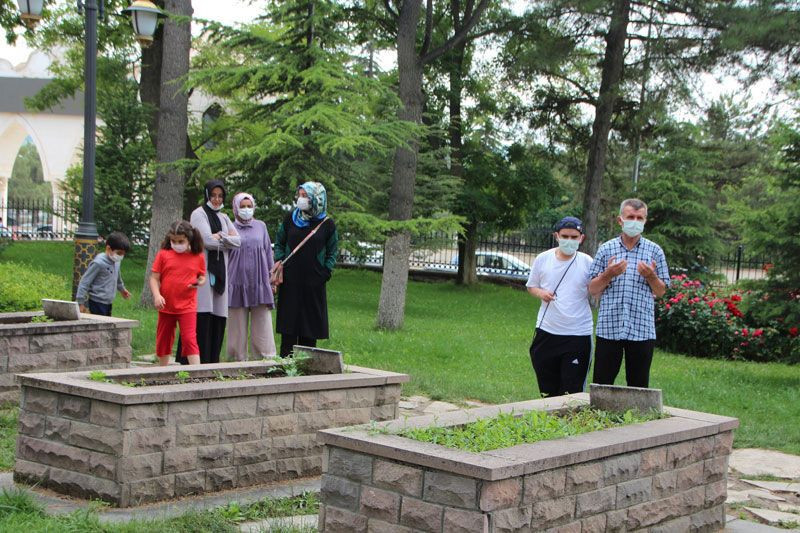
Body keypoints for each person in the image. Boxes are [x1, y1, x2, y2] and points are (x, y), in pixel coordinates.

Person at [588, 198, 670, 388]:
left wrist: (651, 276)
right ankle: (599, 418)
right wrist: (609, 274)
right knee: (602, 384)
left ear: (645, 221)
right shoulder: (606, 249)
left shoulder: (654, 251)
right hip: (610, 327)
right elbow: (592, 289)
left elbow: (662, 291)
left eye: (639, 218)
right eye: (630, 217)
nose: (635, 221)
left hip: (641, 329)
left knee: (639, 385)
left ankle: (639, 419)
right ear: (620, 220)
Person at [526, 216, 594, 397]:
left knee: (572, 391)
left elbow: (595, 289)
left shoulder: (587, 262)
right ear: (556, 236)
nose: (569, 241)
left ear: (582, 238)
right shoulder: (543, 259)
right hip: (547, 330)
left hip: (578, 333)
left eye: (574, 237)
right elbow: (531, 286)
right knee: (547, 389)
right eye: (565, 236)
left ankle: (570, 421)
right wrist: (542, 293)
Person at [273, 181, 338, 357]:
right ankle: (286, 364)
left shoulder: (327, 224)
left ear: (316, 199)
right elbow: (280, 242)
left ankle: (307, 367)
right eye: (300, 195)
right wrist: (279, 260)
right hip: (291, 280)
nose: (301, 199)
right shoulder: (290, 218)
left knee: (309, 327)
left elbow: (332, 251)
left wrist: (325, 273)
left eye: (305, 196)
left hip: (313, 283)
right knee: (289, 325)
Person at [181, 180, 240, 364]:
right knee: (202, 313)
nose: (216, 199)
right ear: (207, 195)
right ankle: (194, 361)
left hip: (220, 271)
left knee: (218, 315)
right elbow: (206, 240)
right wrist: (226, 238)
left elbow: (239, 241)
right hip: (203, 269)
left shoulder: (223, 217)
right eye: (213, 195)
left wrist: (221, 236)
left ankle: (212, 360)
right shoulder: (199, 214)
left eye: (220, 196)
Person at [227, 192, 277, 360]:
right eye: (242, 207)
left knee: (262, 323)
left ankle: (265, 358)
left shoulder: (261, 226)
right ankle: (237, 360)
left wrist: (273, 278)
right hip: (236, 282)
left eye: (249, 206)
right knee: (236, 325)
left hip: (259, 281)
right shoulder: (229, 227)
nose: (246, 210)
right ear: (236, 208)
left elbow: (268, 252)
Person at [149, 221, 206, 366]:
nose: (176, 244)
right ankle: (162, 369)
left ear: (189, 239)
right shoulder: (163, 255)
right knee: (164, 338)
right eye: (173, 241)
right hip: (166, 305)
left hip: (187, 306)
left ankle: (196, 371)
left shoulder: (198, 256)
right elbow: (154, 278)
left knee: (189, 338)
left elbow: (202, 276)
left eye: (181, 241)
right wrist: (157, 295)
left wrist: (200, 281)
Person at [76, 231, 132, 316]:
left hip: (108, 302)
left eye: (123, 254)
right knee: (100, 326)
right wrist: (80, 302)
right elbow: (85, 282)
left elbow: (117, 278)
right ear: (108, 249)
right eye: (119, 253)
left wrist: (122, 289)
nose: (121, 256)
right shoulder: (98, 263)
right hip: (97, 302)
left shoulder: (116, 261)